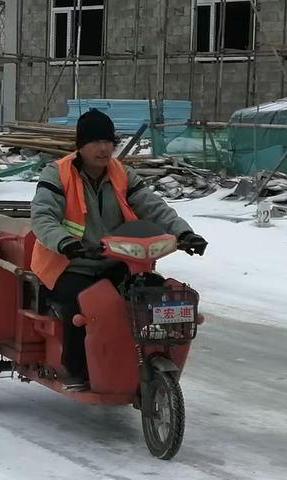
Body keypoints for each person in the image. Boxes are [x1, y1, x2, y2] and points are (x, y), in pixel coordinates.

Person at [30, 109, 207, 389]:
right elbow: (42, 217)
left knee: (153, 295)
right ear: (81, 145)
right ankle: (80, 369)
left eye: (109, 141)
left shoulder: (122, 174)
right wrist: (66, 243)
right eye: (95, 141)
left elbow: (154, 208)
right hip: (68, 264)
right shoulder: (57, 173)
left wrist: (185, 233)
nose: (103, 148)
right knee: (89, 305)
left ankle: (144, 361)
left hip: (116, 262)